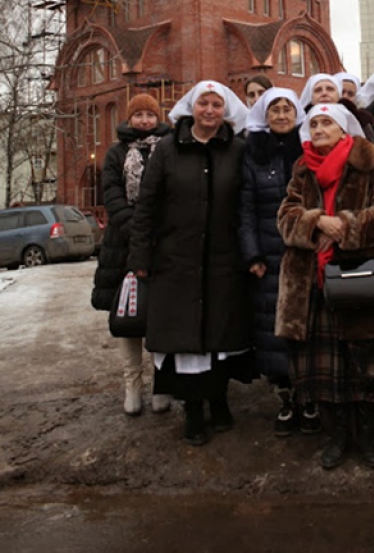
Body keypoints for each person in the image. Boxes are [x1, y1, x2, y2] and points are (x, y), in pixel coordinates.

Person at [276, 103, 374, 470]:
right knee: (323, 369)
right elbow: (285, 217)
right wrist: (316, 222)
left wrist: (344, 226)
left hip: (360, 275)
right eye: (313, 122)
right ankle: (337, 436)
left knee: (363, 363)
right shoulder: (302, 169)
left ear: (344, 128)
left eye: (325, 122)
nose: (317, 128)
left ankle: (367, 435)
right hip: (311, 283)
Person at [127, 81, 255, 446]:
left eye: (217, 104)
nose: (210, 111)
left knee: (219, 336)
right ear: (191, 108)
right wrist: (140, 256)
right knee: (185, 341)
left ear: (226, 110)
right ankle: (194, 410)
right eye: (204, 104)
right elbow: (147, 207)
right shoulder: (167, 149)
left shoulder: (237, 149)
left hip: (222, 260)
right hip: (176, 260)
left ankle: (219, 400)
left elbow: (245, 204)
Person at [238, 87, 321, 436]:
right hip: (271, 257)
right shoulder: (252, 154)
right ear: (264, 116)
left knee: (310, 326)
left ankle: (311, 396)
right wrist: (252, 253)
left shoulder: (310, 152)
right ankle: (286, 398)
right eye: (275, 110)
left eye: (288, 109)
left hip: (309, 253)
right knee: (274, 332)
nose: (283, 115)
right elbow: (245, 208)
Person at [91, 93, 172, 416]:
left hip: (161, 241)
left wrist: (159, 230)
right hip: (122, 242)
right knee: (127, 314)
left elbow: (172, 192)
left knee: (160, 313)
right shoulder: (116, 152)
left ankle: (162, 385)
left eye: (149, 115)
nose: (144, 121)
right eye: (137, 115)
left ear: (157, 118)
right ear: (129, 119)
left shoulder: (167, 148)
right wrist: (134, 228)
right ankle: (133, 385)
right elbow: (110, 192)